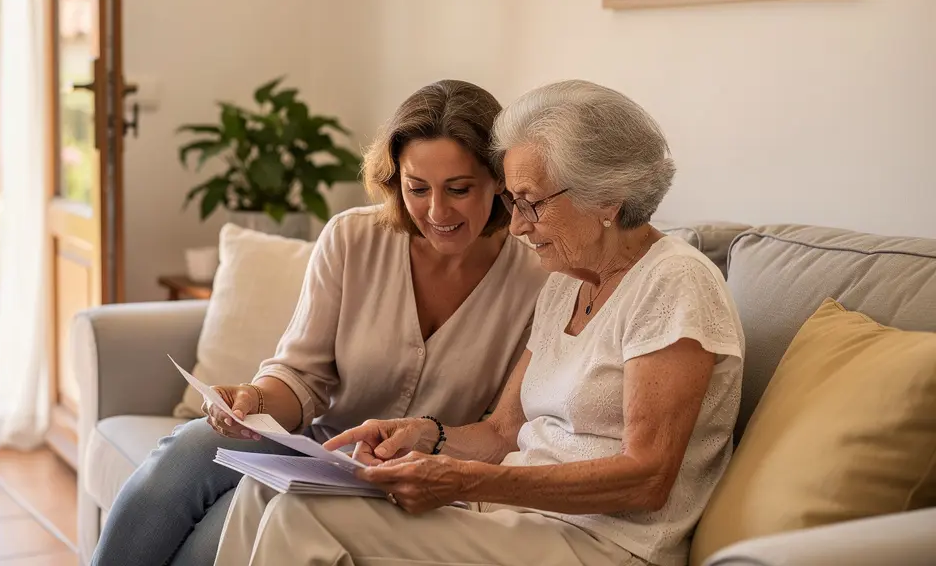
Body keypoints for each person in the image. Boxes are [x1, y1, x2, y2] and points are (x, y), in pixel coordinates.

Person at [213, 79, 746, 566]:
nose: (515, 225)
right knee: (267, 488)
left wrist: (464, 480)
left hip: (602, 542)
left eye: (531, 204)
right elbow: (501, 432)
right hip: (516, 516)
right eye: (513, 202)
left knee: (303, 512)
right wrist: (424, 435)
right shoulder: (566, 280)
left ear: (606, 197)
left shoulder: (674, 283)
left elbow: (648, 478)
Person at [89, 79, 549, 566]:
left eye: (459, 189)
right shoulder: (353, 238)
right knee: (191, 447)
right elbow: (302, 376)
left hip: (413, 479)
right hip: (317, 451)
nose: (436, 212)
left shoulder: (537, 278)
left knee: (221, 536)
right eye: (417, 188)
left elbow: (502, 431)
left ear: (499, 180)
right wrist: (256, 399)